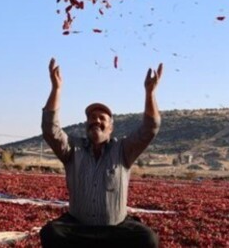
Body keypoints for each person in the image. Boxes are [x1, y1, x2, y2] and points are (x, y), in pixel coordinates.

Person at [40, 58, 162, 248]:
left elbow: (150, 128)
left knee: (147, 239)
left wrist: (150, 94)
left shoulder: (123, 150)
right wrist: (56, 88)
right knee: (51, 233)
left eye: (102, 118)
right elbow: (50, 129)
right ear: (86, 124)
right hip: (78, 228)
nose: (96, 121)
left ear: (111, 128)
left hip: (115, 228)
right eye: (91, 118)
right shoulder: (72, 149)